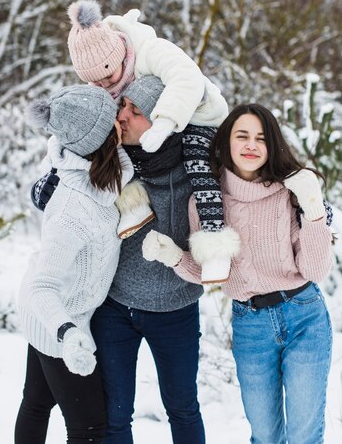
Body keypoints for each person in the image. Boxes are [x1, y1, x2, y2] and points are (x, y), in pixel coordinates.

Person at [143, 103, 334, 444]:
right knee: (264, 435)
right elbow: (210, 271)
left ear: (271, 145)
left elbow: (315, 270)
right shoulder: (205, 201)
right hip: (251, 325)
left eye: (261, 138)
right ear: (226, 142)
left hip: (304, 315)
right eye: (242, 135)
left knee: (305, 435)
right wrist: (173, 257)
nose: (251, 145)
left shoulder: (291, 193)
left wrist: (314, 210)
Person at [65, 0, 237, 282]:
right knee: (109, 144)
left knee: (198, 162)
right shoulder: (102, 77)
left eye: (109, 76)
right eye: (96, 82)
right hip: (151, 124)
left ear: (120, 54)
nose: (106, 85)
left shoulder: (150, 50)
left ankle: (215, 242)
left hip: (198, 115)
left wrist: (165, 122)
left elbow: (186, 78)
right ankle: (133, 206)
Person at [89, 75, 211, 444]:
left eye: (135, 110)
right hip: (115, 307)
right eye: (122, 106)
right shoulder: (110, 160)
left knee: (182, 408)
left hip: (176, 310)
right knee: (114, 414)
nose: (122, 116)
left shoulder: (198, 168)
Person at [14, 85, 134, 444]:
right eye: (114, 117)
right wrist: (68, 334)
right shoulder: (72, 209)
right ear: (101, 137)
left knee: (36, 402)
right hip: (59, 322)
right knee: (89, 429)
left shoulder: (106, 175)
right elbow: (42, 286)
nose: (122, 120)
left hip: (61, 316)